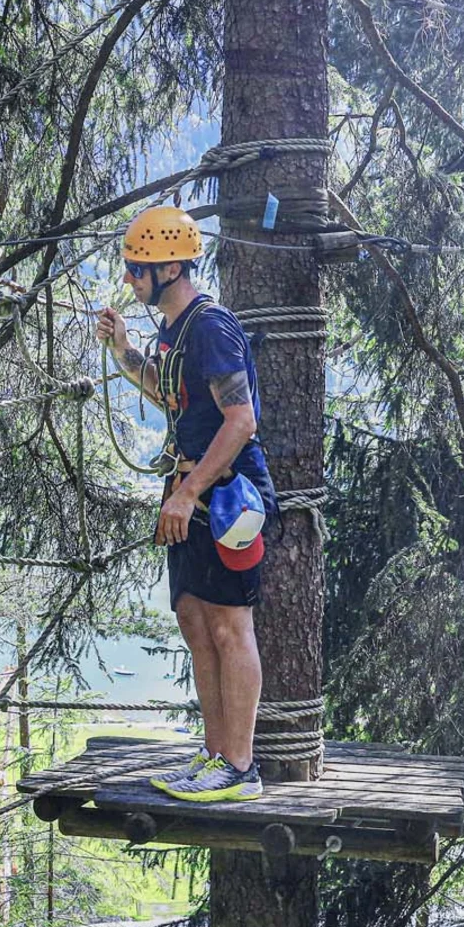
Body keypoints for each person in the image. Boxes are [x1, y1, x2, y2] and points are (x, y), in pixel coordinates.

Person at [95, 207, 274, 802]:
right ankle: (216, 755)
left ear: (171, 266)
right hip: (189, 496)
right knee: (197, 624)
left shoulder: (211, 328)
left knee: (229, 625)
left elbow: (241, 419)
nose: (130, 279)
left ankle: (241, 767)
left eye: (137, 268)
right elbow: (169, 392)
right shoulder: (174, 333)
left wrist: (191, 491)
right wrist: (123, 349)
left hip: (225, 500)